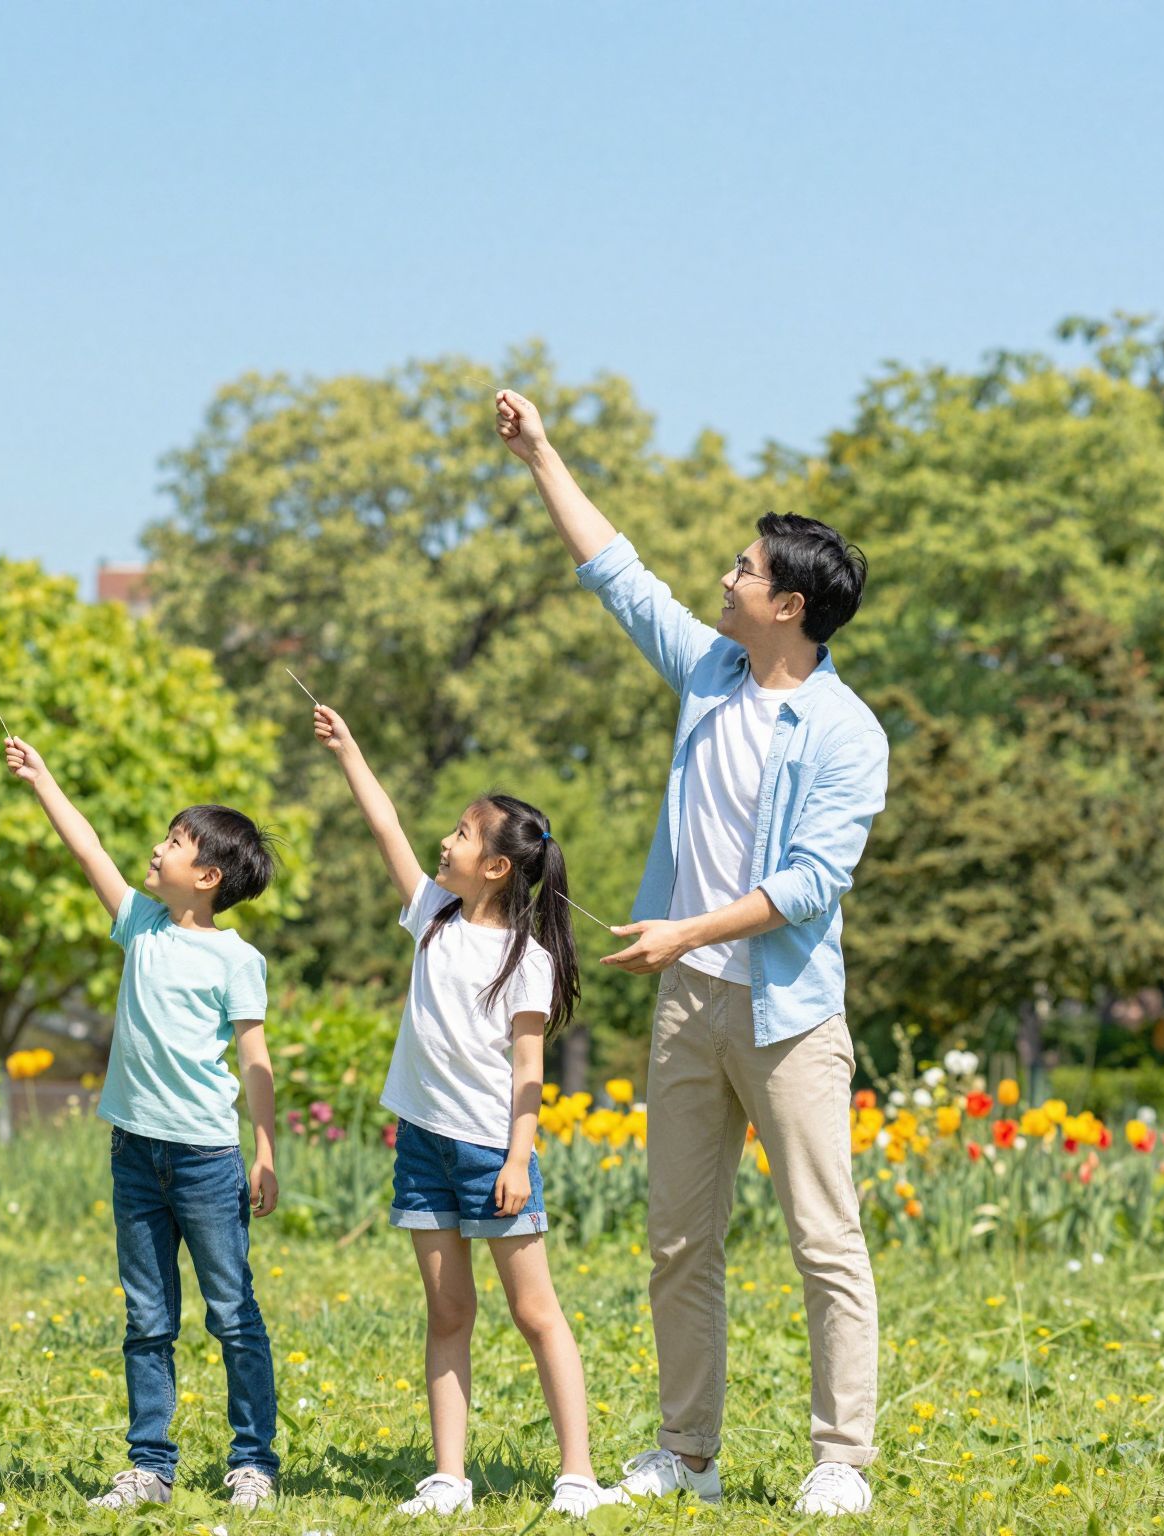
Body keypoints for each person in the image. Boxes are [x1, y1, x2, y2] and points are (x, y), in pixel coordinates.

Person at [497, 389, 888, 1517]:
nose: (722, 578)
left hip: (786, 1016)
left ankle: (840, 1459)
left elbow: (812, 886)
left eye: (741, 568)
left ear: (790, 604)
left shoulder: (844, 733)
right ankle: (688, 1453)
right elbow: (617, 573)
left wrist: (684, 931)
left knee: (823, 1239)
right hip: (687, 1006)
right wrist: (540, 457)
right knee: (677, 1240)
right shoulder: (709, 674)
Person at [311, 702, 610, 1519]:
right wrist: (350, 749)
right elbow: (384, 827)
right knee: (447, 1311)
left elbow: (528, 1067)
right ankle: (448, 1477)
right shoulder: (432, 917)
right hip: (424, 1143)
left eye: (463, 835)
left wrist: (520, 1157)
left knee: (534, 1312)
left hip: (490, 1152)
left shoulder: (528, 957)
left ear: (498, 868)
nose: (446, 841)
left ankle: (577, 1472)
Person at [4, 734, 282, 1512]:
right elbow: (84, 843)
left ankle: (254, 1461)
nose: (155, 850)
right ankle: (150, 1467)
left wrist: (264, 1150)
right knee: (147, 1317)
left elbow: (255, 1058)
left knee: (232, 1313)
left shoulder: (235, 959)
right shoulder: (139, 924)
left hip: (205, 1159)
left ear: (209, 876)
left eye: (174, 842)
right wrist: (42, 777)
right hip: (135, 1154)